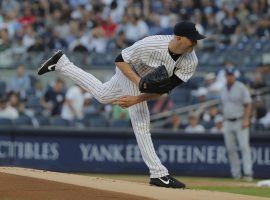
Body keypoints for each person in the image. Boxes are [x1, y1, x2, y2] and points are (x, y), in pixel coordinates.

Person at [38, 21, 206, 188]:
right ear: (178, 38)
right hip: (129, 70)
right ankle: (158, 174)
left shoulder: (190, 61)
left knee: (103, 95)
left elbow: (166, 89)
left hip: (144, 83)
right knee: (141, 121)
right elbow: (119, 60)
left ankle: (62, 64)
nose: (195, 42)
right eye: (191, 39)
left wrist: (137, 98)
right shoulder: (151, 44)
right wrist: (138, 83)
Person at [220, 68, 253, 181]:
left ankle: (248, 173)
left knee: (244, 147)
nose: (229, 77)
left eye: (231, 75)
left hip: (240, 121)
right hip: (228, 121)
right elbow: (224, 106)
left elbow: (248, 104)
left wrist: (246, 119)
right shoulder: (223, 88)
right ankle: (236, 174)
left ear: (234, 76)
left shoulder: (241, 87)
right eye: (228, 75)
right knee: (230, 149)